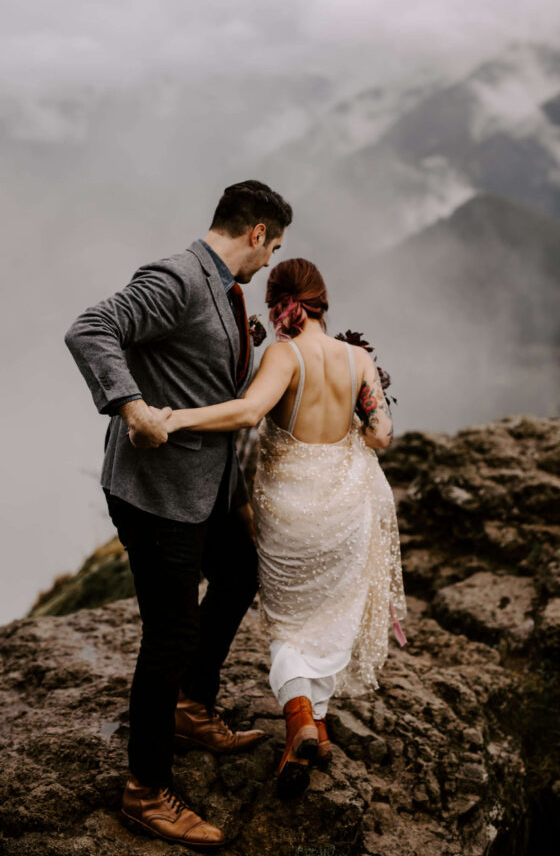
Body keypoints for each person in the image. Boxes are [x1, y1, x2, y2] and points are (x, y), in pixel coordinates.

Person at [64, 180, 293, 848]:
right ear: (256, 234)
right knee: (170, 634)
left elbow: (193, 353)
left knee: (240, 571)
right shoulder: (178, 276)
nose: (270, 262)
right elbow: (92, 328)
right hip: (157, 492)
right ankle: (145, 790)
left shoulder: (221, 289)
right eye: (273, 248)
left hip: (205, 485)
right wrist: (132, 407)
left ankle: (192, 706)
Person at [160, 258, 406, 798]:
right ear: (323, 301)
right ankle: (314, 727)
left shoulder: (283, 355)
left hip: (290, 515)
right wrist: (356, 434)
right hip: (345, 510)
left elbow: (248, 413)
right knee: (328, 619)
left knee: (289, 628)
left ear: (277, 304)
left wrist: (174, 418)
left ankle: (300, 723)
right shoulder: (358, 358)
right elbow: (382, 433)